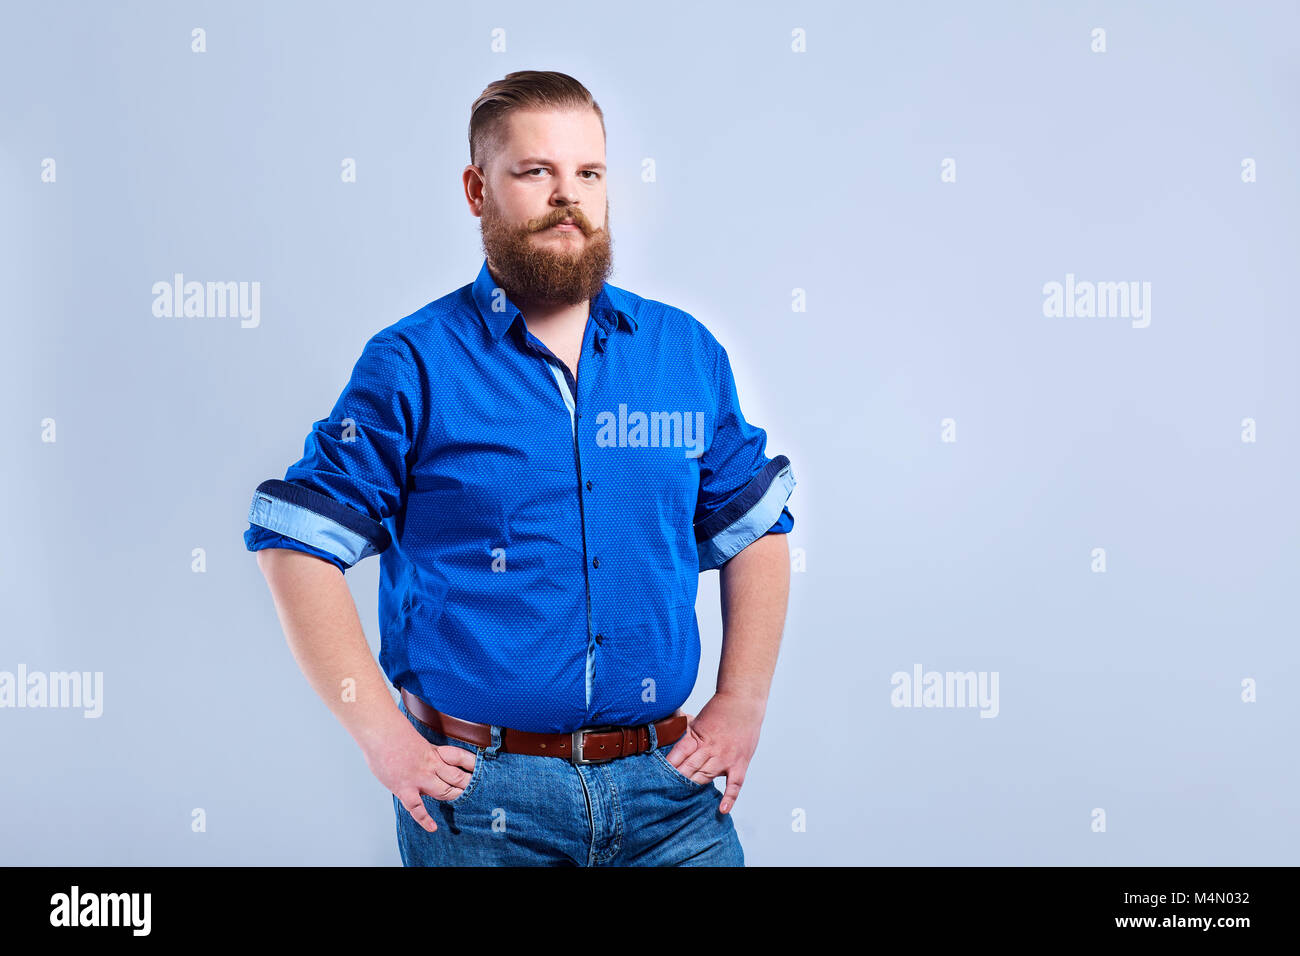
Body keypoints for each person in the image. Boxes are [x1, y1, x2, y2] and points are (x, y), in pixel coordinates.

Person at [244, 70, 795, 866]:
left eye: (588, 173)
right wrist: (381, 737)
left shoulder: (685, 354)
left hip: (670, 794)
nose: (566, 195)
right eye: (535, 171)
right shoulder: (413, 364)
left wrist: (743, 702)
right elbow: (299, 545)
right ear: (477, 189)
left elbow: (755, 529)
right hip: (485, 804)